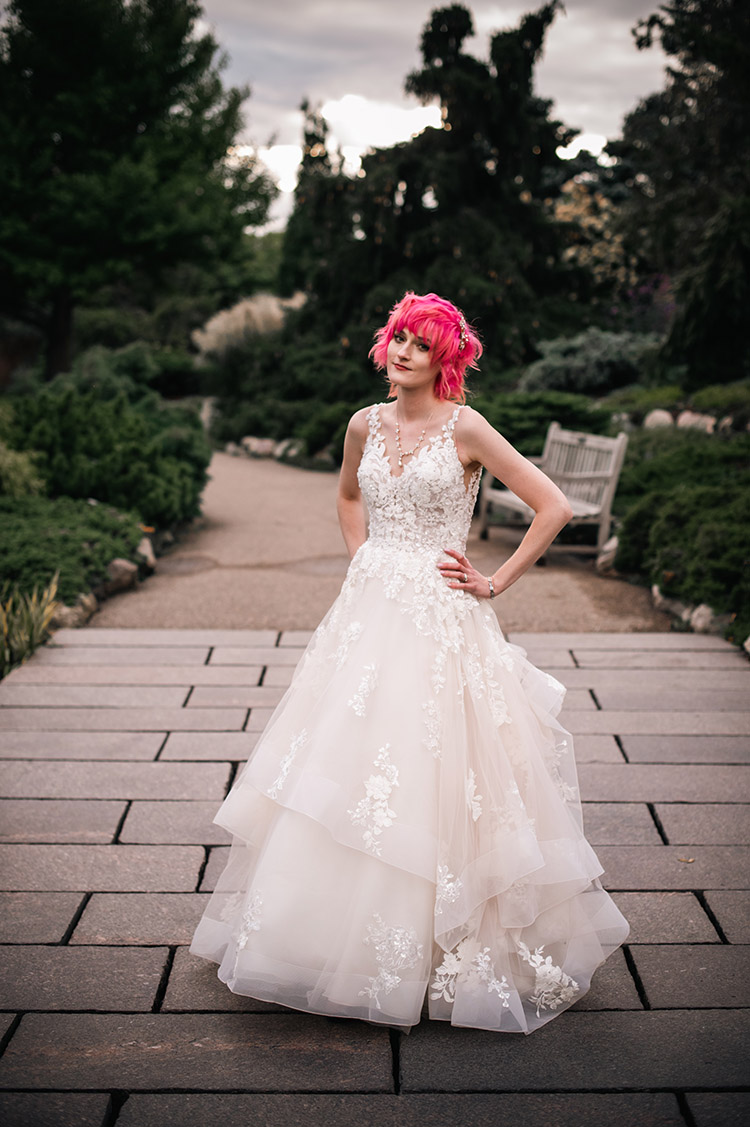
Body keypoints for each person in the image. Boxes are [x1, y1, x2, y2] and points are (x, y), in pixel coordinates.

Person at [189, 291, 629, 1034]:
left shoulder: (468, 428)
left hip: (440, 616)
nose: (402, 353)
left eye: (421, 345)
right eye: (398, 339)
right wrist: (366, 560)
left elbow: (552, 504)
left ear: (444, 358)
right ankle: (322, 937)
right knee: (349, 762)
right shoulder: (365, 421)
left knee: (434, 767)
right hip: (366, 614)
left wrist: (493, 579)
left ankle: (439, 945)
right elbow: (348, 494)